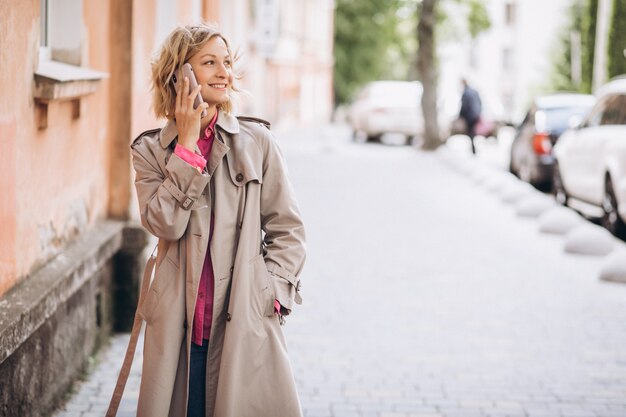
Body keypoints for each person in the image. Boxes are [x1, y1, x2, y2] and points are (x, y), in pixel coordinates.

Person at [130, 23, 306, 417]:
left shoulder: (257, 143)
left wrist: (272, 291)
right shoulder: (150, 152)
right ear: (180, 74)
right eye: (210, 62)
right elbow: (165, 224)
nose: (225, 72)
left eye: (227, 62)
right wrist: (187, 148)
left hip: (244, 321)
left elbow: (288, 230)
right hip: (181, 329)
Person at [459, 78, 482, 154]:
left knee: (470, 132)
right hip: (476, 114)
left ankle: (473, 149)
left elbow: (464, 106)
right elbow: (480, 102)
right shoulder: (475, 91)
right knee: (472, 132)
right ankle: (473, 148)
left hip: (469, 115)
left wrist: (460, 116)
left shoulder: (466, 92)